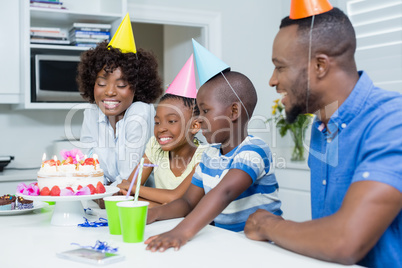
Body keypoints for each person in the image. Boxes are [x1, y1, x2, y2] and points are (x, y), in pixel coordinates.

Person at [244, 6, 402, 268]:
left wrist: (267, 225)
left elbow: (345, 241)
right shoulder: (321, 129)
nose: (272, 81)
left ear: (319, 65)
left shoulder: (392, 120)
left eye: (280, 67)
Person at [145, 71, 282, 252]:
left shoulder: (254, 150)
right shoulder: (210, 154)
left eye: (205, 111)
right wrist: (153, 214)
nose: (199, 119)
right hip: (225, 243)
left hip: (262, 247)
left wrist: (181, 232)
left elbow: (224, 192)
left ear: (234, 111)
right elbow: (187, 202)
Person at [77, 15, 163, 186]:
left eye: (122, 85)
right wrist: (98, 190)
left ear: (137, 87)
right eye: (102, 83)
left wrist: (101, 192)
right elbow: (88, 167)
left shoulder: (140, 111)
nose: (109, 92)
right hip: (109, 200)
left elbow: (127, 175)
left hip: (141, 202)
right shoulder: (91, 113)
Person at [117, 93, 205, 207]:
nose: (161, 128)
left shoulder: (205, 156)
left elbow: (176, 197)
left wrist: (132, 188)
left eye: (171, 121)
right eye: (157, 122)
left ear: (194, 126)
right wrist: (160, 206)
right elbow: (125, 194)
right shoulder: (155, 146)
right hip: (160, 221)